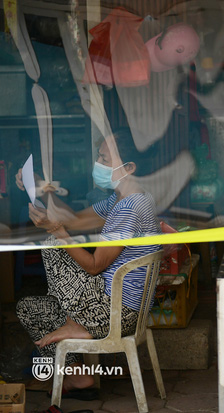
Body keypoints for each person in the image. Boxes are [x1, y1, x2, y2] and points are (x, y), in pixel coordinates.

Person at [14, 130, 162, 400]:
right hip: (103, 304)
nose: (98, 163)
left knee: (52, 242)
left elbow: (94, 265)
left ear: (129, 167)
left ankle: (76, 322)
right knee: (29, 309)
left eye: (105, 159)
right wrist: (40, 188)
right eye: (99, 156)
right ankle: (78, 377)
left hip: (115, 313)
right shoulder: (120, 199)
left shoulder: (130, 207)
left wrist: (57, 231)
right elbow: (73, 220)